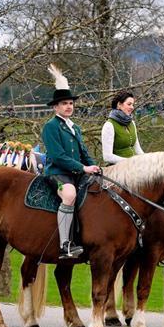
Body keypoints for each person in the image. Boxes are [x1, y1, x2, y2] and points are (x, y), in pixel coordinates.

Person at [40, 65, 101, 259]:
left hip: (76, 171)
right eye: (64, 103)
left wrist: (95, 166)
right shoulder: (50, 127)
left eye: (71, 103)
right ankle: (65, 244)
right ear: (56, 107)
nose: (69, 106)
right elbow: (58, 156)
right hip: (56, 172)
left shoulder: (76, 127)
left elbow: (83, 152)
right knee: (69, 193)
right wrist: (83, 168)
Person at [101, 90, 144, 165]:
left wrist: (148, 159)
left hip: (133, 167)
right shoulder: (109, 126)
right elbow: (107, 157)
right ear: (119, 105)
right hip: (117, 170)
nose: (132, 107)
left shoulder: (132, 123)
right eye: (129, 104)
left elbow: (137, 148)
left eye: (133, 104)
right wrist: (129, 161)